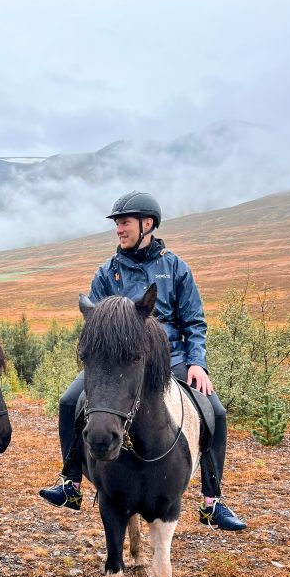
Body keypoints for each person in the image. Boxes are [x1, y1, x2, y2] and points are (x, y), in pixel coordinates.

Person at [39, 190, 246, 531]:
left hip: (173, 356)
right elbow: (95, 321)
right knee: (68, 402)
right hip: (121, 362)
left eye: (125, 223)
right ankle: (70, 482)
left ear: (147, 224)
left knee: (216, 413)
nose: (119, 229)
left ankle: (213, 502)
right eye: (117, 224)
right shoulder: (107, 272)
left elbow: (193, 320)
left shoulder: (175, 268)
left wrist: (197, 363)